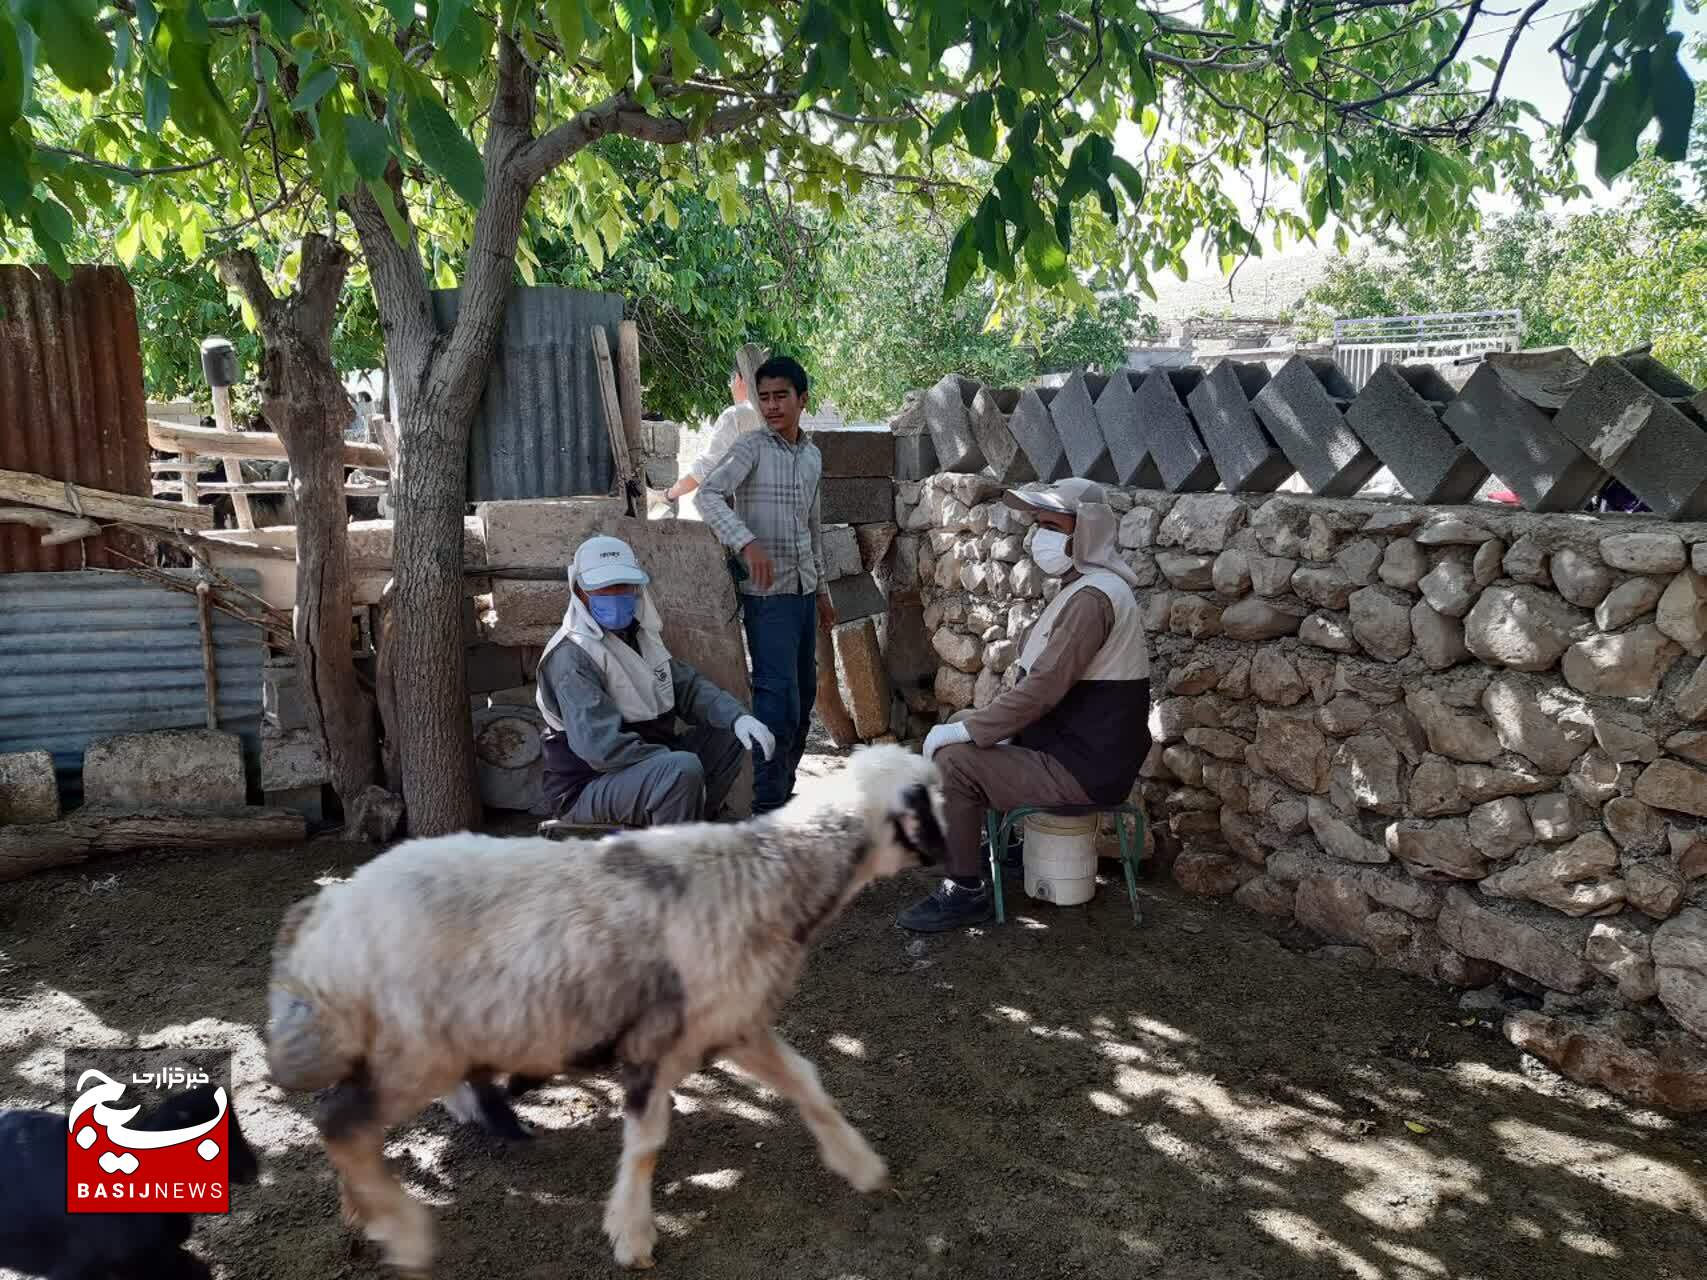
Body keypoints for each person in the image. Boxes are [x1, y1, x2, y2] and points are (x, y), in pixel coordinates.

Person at [897, 478, 1152, 932]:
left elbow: (1043, 688)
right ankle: (1013, 851)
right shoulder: (1089, 587)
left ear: (1085, 530)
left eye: (1052, 524)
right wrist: (973, 726)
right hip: (1077, 756)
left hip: (1081, 771)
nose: (1039, 537)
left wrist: (970, 733)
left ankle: (964, 892)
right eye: (1038, 525)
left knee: (957, 760)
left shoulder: (1093, 599)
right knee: (962, 724)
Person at [535, 534, 777, 827]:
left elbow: (687, 688)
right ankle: (672, 857)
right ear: (579, 591)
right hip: (588, 785)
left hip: (645, 766)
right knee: (680, 770)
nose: (614, 594)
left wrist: (738, 718)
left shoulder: (639, 635)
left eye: (623, 586)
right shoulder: (572, 656)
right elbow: (601, 749)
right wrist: (672, 762)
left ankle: (693, 823)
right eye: (602, 588)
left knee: (730, 733)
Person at [695, 355, 836, 814]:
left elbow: (812, 528)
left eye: (781, 397)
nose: (772, 406)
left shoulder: (812, 456)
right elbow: (707, 494)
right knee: (778, 703)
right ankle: (766, 802)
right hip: (765, 598)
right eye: (766, 398)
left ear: (802, 400)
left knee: (805, 697)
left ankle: (780, 791)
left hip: (800, 595)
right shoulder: (751, 447)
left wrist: (822, 593)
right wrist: (746, 542)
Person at [662, 343, 768, 509]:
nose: (731, 387)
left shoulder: (736, 415)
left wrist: (667, 495)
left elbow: (705, 469)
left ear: (740, 380)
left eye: (731, 380)